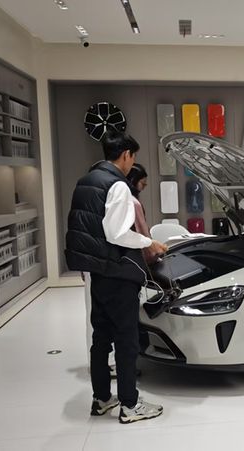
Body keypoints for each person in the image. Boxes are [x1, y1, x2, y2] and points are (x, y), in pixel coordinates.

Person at [65, 131, 167, 423]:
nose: (132, 162)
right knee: (126, 339)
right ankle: (130, 405)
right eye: (133, 157)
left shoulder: (86, 181)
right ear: (125, 155)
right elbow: (117, 233)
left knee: (101, 337)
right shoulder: (118, 185)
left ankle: (101, 399)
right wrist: (149, 243)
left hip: (97, 272)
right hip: (118, 272)